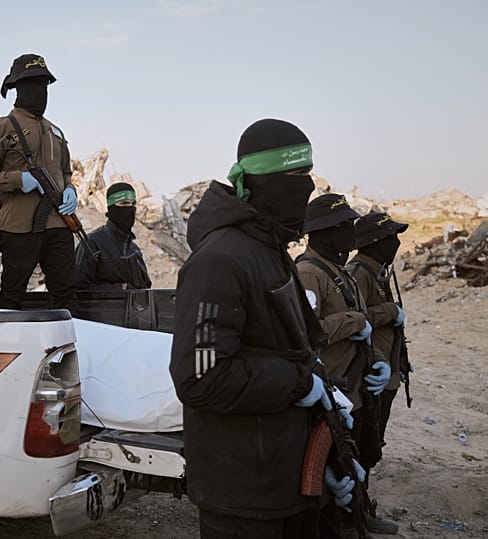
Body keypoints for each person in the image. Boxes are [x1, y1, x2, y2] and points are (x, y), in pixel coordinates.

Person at [170, 119, 356, 538]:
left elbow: (295, 348)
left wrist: (329, 457)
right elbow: (201, 377)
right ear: (266, 182)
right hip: (243, 493)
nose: (306, 188)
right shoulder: (220, 259)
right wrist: (297, 382)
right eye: (297, 178)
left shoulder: (270, 250)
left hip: (282, 479)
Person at [297, 194, 399, 537]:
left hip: (353, 390)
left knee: (354, 461)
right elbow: (307, 333)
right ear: (323, 231)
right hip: (330, 391)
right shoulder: (309, 272)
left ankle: (355, 519)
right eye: (343, 226)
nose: (350, 233)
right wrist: (354, 320)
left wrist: (381, 362)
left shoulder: (338, 272)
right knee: (327, 476)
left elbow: (366, 336)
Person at [0, 53, 78, 313]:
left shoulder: (57, 132)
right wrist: (19, 179)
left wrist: (70, 191)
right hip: (19, 227)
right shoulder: (1, 127)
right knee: (12, 295)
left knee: (66, 296)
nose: (40, 91)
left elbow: (66, 172)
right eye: (33, 84)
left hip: (58, 225)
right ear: (17, 88)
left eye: (44, 85)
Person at [349, 212, 410, 451]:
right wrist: (390, 312)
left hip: (387, 368)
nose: (396, 242)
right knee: (366, 444)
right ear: (376, 241)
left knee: (375, 437)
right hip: (371, 370)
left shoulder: (377, 271)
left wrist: (401, 361)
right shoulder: (358, 272)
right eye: (391, 236)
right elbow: (355, 319)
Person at [74, 182, 152, 290]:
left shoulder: (134, 250)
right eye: (124, 203)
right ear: (111, 207)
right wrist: (119, 288)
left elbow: (145, 288)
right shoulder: (92, 244)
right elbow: (79, 287)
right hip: (102, 307)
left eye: (132, 204)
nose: (129, 208)